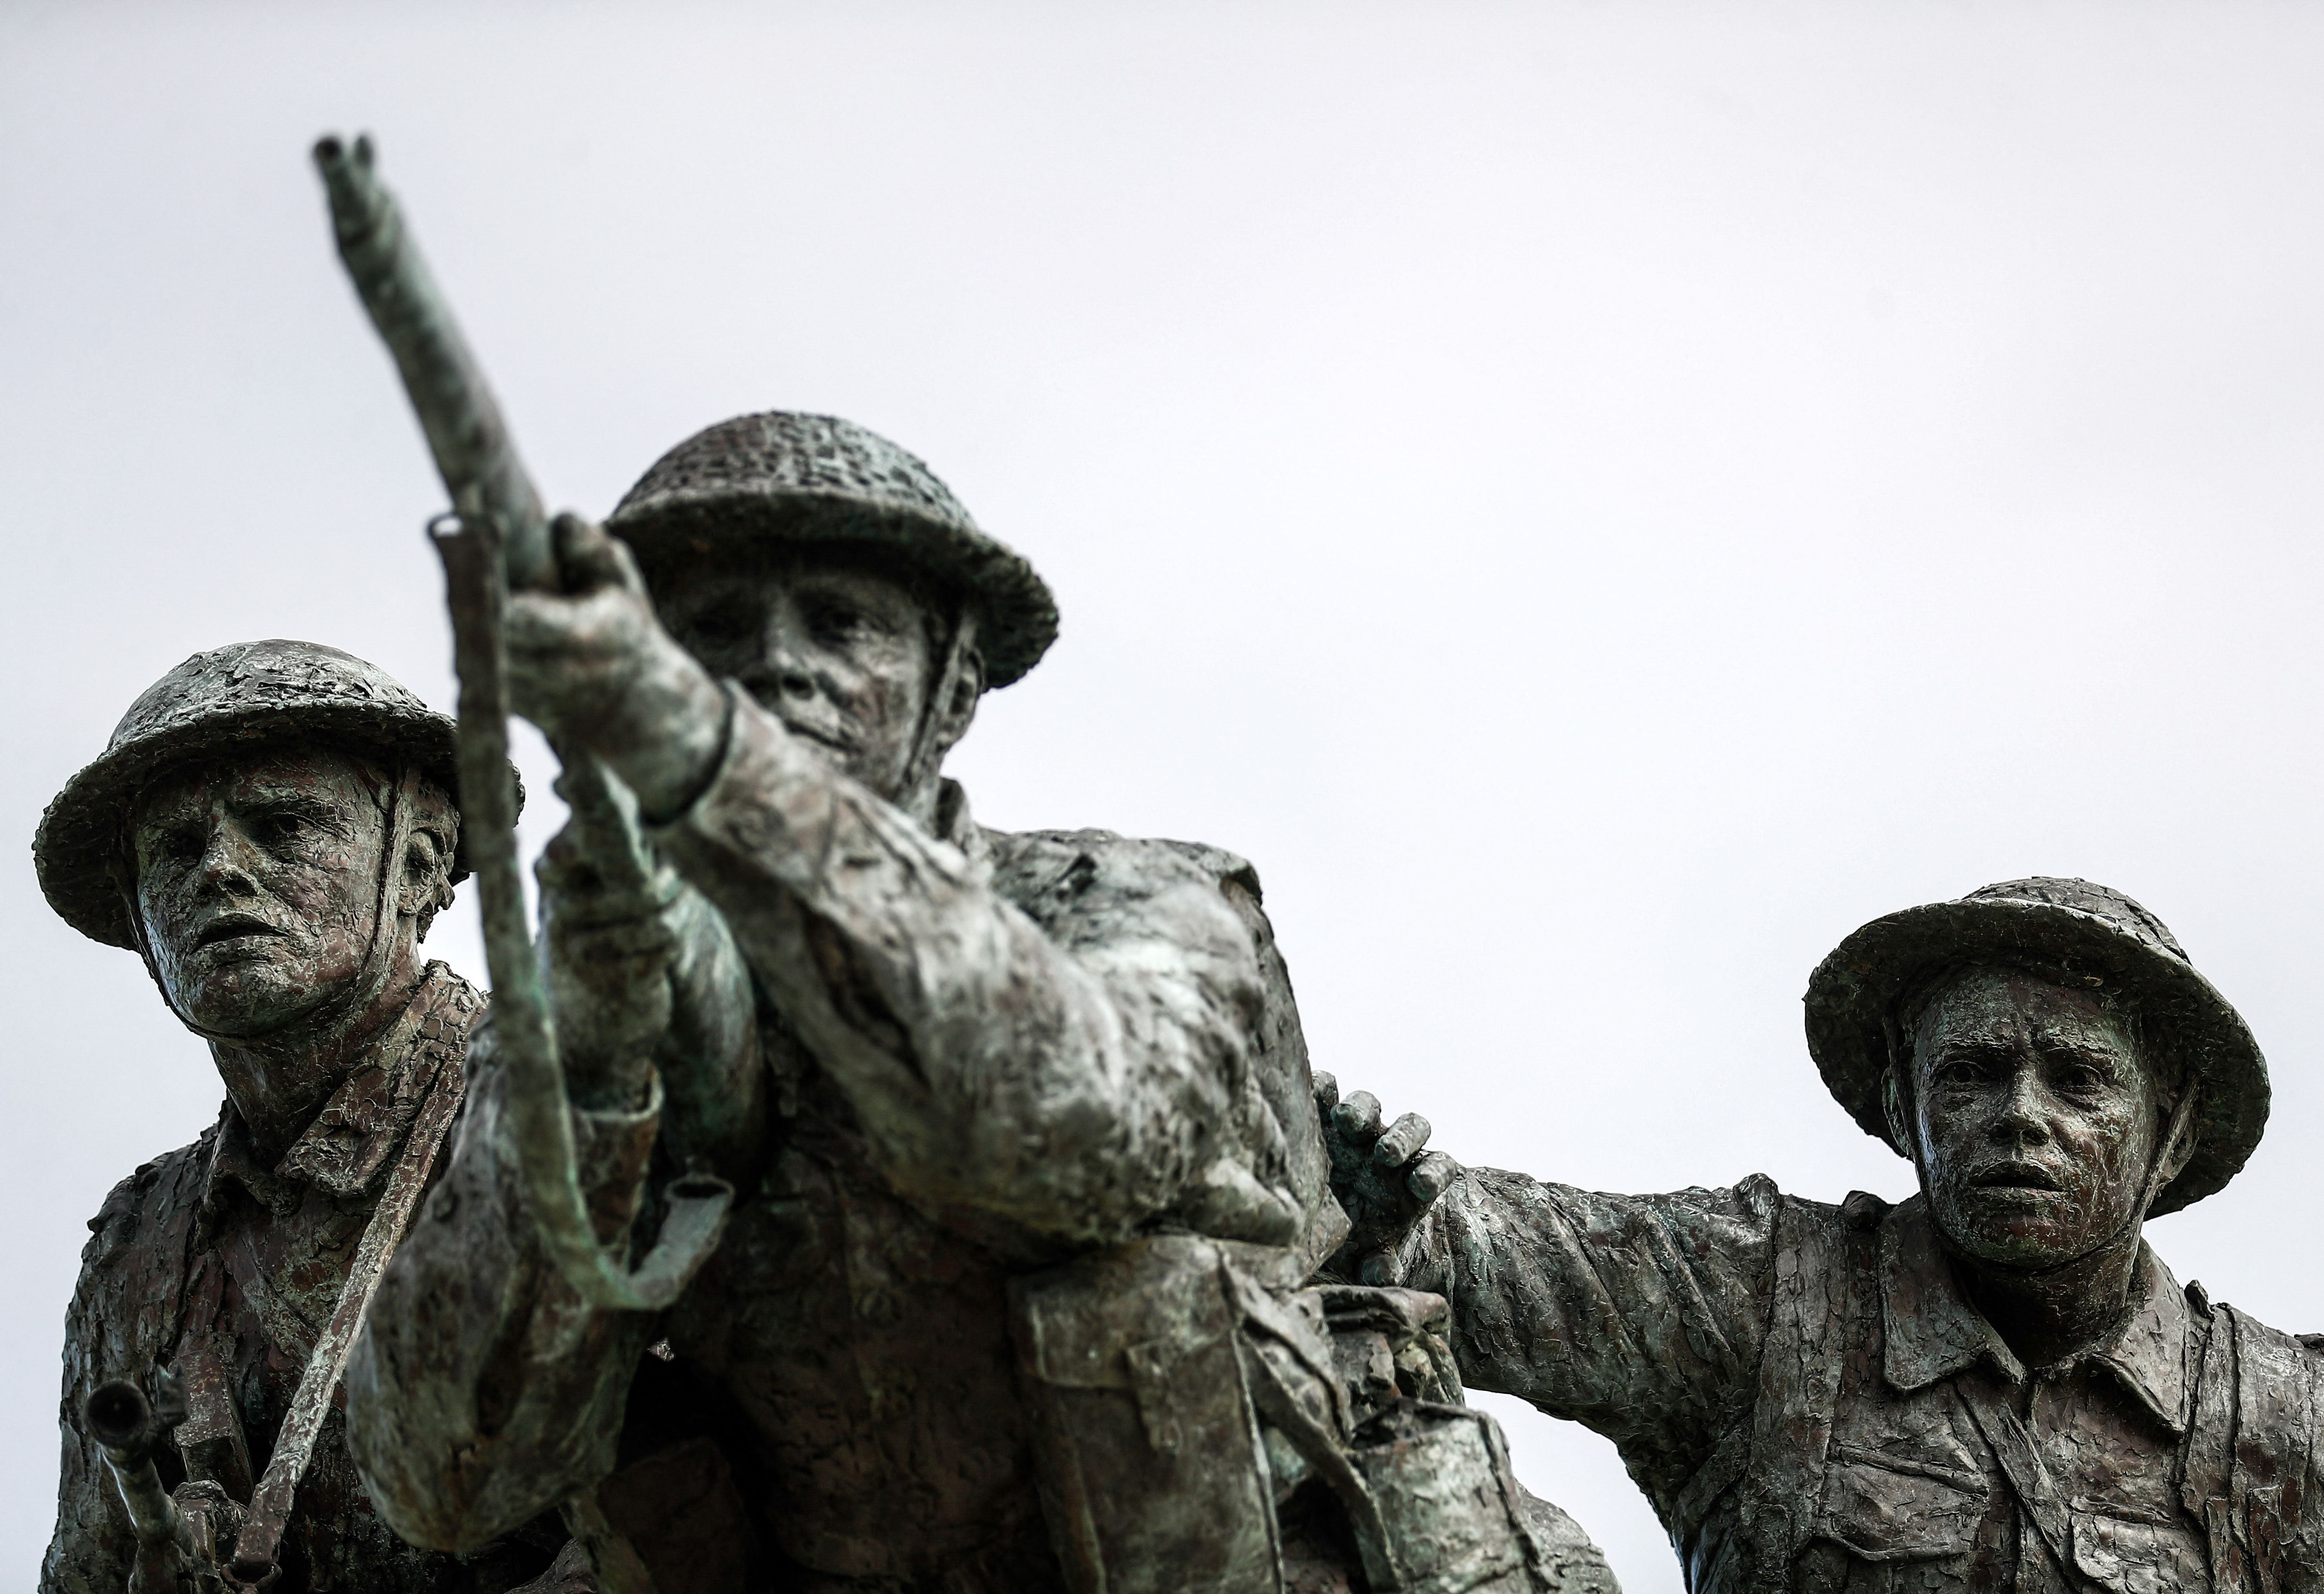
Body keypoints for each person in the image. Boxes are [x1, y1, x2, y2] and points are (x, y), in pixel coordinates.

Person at [346, 412, 1613, 1593]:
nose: (777, 666)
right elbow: (445, 1485)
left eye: (841, 624)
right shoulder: (604, 987)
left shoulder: (1141, 901)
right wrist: (595, 1070)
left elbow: (1079, 1144)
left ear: (953, 688)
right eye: (715, 633)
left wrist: (715, 768)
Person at [1328, 876, 2324, 1592]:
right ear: (1901, 1102)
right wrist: (1390, 1215)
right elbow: (1471, 1248)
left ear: (2173, 1132)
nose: (2024, 1114)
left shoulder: (2290, 1423)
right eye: (1969, 1072)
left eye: (2079, 1081)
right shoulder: (1755, 1297)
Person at [34, 639, 569, 1594]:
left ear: (416, 863)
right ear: (137, 913)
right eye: (177, 850)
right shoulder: (138, 1249)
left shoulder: (572, 1122)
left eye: (283, 827)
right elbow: (85, 1569)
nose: (221, 872)